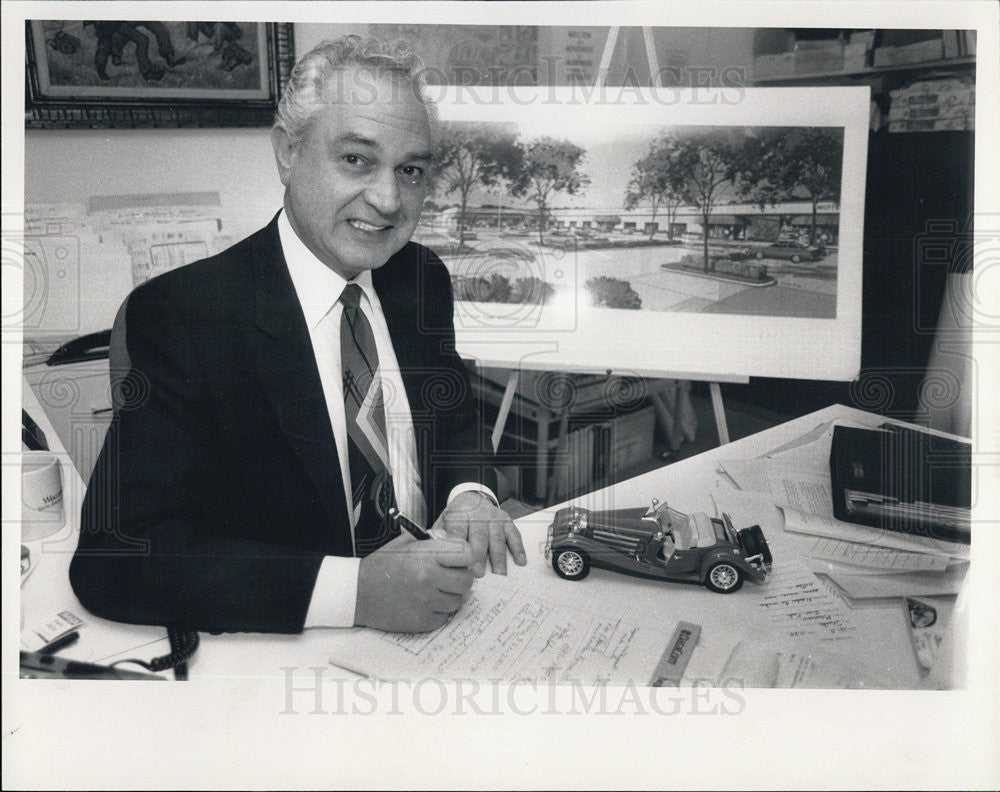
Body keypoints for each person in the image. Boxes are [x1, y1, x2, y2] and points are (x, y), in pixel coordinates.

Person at [69, 36, 526, 636]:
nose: (388, 200)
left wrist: (469, 493)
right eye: (357, 160)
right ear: (288, 152)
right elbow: (116, 557)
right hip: (288, 654)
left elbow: (453, 416)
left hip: (441, 625)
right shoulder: (182, 316)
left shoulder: (420, 277)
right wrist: (352, 593)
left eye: (410, 170)